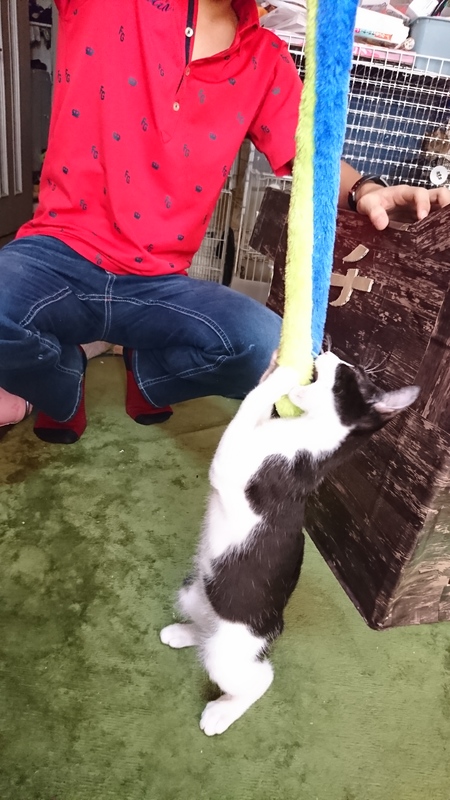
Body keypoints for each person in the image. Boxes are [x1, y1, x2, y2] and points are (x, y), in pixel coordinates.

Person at [0, 0, 449, 444]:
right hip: (58, 254)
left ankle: (150, 374)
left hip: (160, 285)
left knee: (270, 353)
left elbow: (310, 158)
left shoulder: (264, 58)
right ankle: (63, 377)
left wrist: (365, 190)